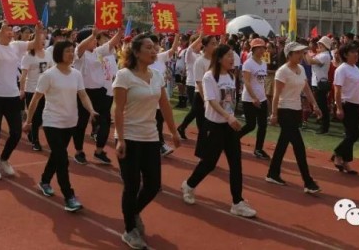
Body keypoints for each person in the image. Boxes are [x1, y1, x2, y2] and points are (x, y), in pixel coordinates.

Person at [113, 34, 181, 249]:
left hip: (150, 137)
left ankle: (132, 213)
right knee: (132, 185)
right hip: (129, 138)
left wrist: (173, 131)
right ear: (136, 52)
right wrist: (120, 138)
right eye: (149, 48)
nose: (154, 51)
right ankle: (129, 230)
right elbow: (117, 109)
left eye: (155, 48)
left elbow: (165, 106)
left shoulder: (156, 76)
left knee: (153, 186)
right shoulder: (124, 76)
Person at [181, 44, 257, 218]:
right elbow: (212, 102)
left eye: (233, 56)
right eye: (229, 56)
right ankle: (189, 185)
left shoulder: (231, 76)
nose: (233, 59)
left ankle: (237, 202)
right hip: (214, 126)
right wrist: (228, 117)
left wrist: (232, 118)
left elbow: (229, 101)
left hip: (229, 127)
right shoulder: (209, 77)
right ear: (220, 58)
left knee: (236, 164)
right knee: (208, 163)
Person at [24, 41, 98, 213]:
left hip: (70, 122)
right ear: (58, 54)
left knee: (57, 156)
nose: (71, 54)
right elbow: (35, 100)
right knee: (63, 159)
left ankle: (44, 181)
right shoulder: (49, 75)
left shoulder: (76, 74)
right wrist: (28, 121)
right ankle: (69, 196)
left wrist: (92, 110)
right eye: (67, 51)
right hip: (52, 122)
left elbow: (83, 95)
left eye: (73, 51)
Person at [0, 22, 39, 179]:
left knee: (16, 132)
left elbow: (36, 43)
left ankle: (4, 159)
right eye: (7, 29)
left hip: (12, 96)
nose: (10, 32)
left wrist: (39, 30)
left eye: (11, 29)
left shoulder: (16, 46)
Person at [267, 41, 321, 192]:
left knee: (283, 143)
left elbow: (307, 89)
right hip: (284, 110)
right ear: (289, 55)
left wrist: (315, 105)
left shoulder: (302, 69)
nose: (300, 55)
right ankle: (308, 181)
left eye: (301, 52)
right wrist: (274, 114)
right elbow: (276, 95)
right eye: (297, 53)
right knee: (299, 146)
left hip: (296, 110)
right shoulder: (282, 71)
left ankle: (272, 173)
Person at [72, 28, 123, 165]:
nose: (95, 41)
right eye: (93, 39)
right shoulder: (79, 53)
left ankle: (99, 151)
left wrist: (119, 32)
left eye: (95, 39)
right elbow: (81, 46)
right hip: (83, 93)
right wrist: (92, 35)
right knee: (81, 123)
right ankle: (79, 151)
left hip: (101, 92)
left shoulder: (97, 52)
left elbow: (110, 45)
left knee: (105, 122)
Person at [331, 42, 359, 175]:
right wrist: (339, 108)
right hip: (346, 104)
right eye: (353, 52)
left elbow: (358, 87)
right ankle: (338, 154)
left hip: (355, 104)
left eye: (356, 52)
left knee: (352, 134)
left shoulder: (355, 67)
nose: (356, 54)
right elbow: (337, 89)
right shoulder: (341, 69)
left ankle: (345, 161)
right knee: (353, 134)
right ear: (345, 55)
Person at [238, 37, 271, 160]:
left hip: (261, 98)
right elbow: (246, 81)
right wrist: (253, 97)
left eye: (264, 48)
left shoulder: (263, 63)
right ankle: (233, 138)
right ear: (254, 49)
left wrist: (264, 97)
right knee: (251, 125)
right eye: (261, 48)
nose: (263, 50)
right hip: (249, 99)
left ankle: (258, 149)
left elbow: (261, 82)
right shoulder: (248, 63)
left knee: (263, 125)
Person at [20, 27, 52, 151]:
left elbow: (51, 70)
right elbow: (23, 76)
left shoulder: (48, 54)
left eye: (44, 40)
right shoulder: (28, 56)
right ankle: (35, 141)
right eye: (40, 40)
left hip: (45, 90)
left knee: (42, 117)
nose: (43, 42)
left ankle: (31, 133)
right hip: (32, 90)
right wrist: (22, 90)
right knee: (35, 116)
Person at [309, 36, 334, 134]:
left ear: (325, 46)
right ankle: (323, 125)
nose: (318, 45)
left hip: (320, 83)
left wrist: (305, 53)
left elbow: (311, 61)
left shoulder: (324, 55)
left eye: (321, 44)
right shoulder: (321, 54)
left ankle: (325, 127)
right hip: (317, 82)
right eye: (319, 43)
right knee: (320, 105)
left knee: (322, 106)